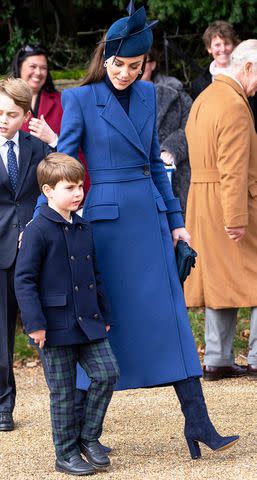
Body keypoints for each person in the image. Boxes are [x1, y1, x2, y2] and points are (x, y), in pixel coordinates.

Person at [36, 1, 239, 459]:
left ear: (146, 63)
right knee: (102, 327)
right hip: (104, 233)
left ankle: (199, 424)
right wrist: (40, 219)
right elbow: (63, 163)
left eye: (135, 65)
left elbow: (152, 163)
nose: (126, 73)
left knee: (171, 323)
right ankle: (87, 433)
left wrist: (178, 224)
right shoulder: (80, 99)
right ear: (104, 57)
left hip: (150, 221)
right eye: (119, 64)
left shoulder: (149, 96)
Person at [14, 152, 119, 476]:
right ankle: (66, 453)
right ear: (48, 191)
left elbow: (95, 275)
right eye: (70, 187)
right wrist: (35, 325)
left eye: (80, 187)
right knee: (63, 392)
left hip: (88, 322)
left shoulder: (83, 226)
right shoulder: (37, 229)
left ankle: (88, 437)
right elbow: (24, 279)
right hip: (53, 326)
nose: (78, 193)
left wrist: (103, 312)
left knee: (107, 373)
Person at [185, 39, 257, 382]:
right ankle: (255, 356)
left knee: (219, 279)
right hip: (231, 202)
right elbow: (232, 166)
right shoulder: (234, 105)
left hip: (202, 202)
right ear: (247, 67)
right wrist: (237, 218)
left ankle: (217, 359)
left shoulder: (206, 97)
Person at [0, 77, 50, 431]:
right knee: (0, 334)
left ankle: (69, 400)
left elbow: (64, 179)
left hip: (35, 251)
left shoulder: (38, 147)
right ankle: (3, 406)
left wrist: (54, 139)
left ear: (25, 115)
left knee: (48, 327)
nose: (3, 119)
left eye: (11, 114)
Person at [10, 45, 90, 192]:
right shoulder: (5, 103)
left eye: (44, 68)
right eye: (33, 66)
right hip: (18, 190)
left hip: (57, 185)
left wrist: (53, 139)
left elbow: (78, 148)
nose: (38, 72)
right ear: (19, 67)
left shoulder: (63, 102)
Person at [142, 47, 192, 215]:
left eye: (144, 62)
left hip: (173, 179)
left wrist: (170, 149)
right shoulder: (116, 98)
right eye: (135, 62)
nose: (140, 67)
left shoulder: (176, 93)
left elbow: (191, 126)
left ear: (153, 64)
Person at [191, 21, 257, 130]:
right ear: (209, 48)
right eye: (217, 44)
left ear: (234, 46)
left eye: (226, 43)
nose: (223, 49)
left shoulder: (250, 76)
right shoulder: (199, 84)